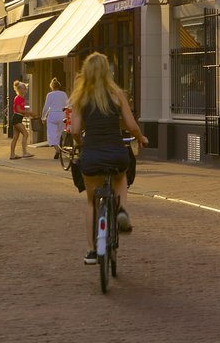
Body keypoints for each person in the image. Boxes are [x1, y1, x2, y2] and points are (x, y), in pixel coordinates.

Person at [69, 52, 148, 265]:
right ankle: (122, 210)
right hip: (116, 153)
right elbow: (131, 125)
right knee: (121, 177)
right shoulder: (116, 94)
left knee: (91, 202)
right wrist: (141, 138)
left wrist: (80, 143)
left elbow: (75, 129)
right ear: (107, 71)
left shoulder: (80, 97)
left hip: (92, 155)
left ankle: (91, 251)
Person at [42, 77, 69, 160]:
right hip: (62, 115)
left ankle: (57, 150)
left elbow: (46, 107)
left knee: (51, 134)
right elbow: (67, 105)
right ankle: (61, 147)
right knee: (60, 133)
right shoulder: (64, 94)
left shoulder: (49, 95)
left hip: (52, 115)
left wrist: (43, 117)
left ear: (51, 86)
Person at [9, 80, 36, 160]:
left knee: (15, 137)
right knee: (25, 134)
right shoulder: (18, 98)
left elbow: (21, 111)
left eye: (25, 89)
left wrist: (27, 114)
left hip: (18, 118)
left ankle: (12, 154)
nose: (25, 90)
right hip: (17, 118)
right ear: (19, 89)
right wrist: (29, 112)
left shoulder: (21, 98)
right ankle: (24, 152)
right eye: (24, 89)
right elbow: (18, 110)